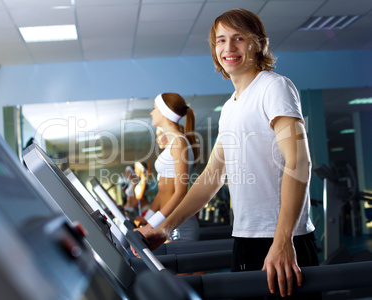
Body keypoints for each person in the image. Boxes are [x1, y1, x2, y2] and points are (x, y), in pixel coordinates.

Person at [135, 8, 319, 299]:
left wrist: (283, 240)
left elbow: (298, 162)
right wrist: (165, 227)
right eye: (221, 40)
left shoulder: (274, 88)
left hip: (284, 241)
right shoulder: (230, 107)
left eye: (238, 38)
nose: (229, 48)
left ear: (257, 44)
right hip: (245, 238)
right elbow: (212, 177)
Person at [134, 93, 200, 242]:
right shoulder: (174, 143)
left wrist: (150, 226)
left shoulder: (179, 142)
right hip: (169, 222)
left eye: (154, 108)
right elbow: (163, 189)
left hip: (179, 225)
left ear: (164, 112)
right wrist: (149, 218)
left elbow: (180, 193)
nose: (151, 112)